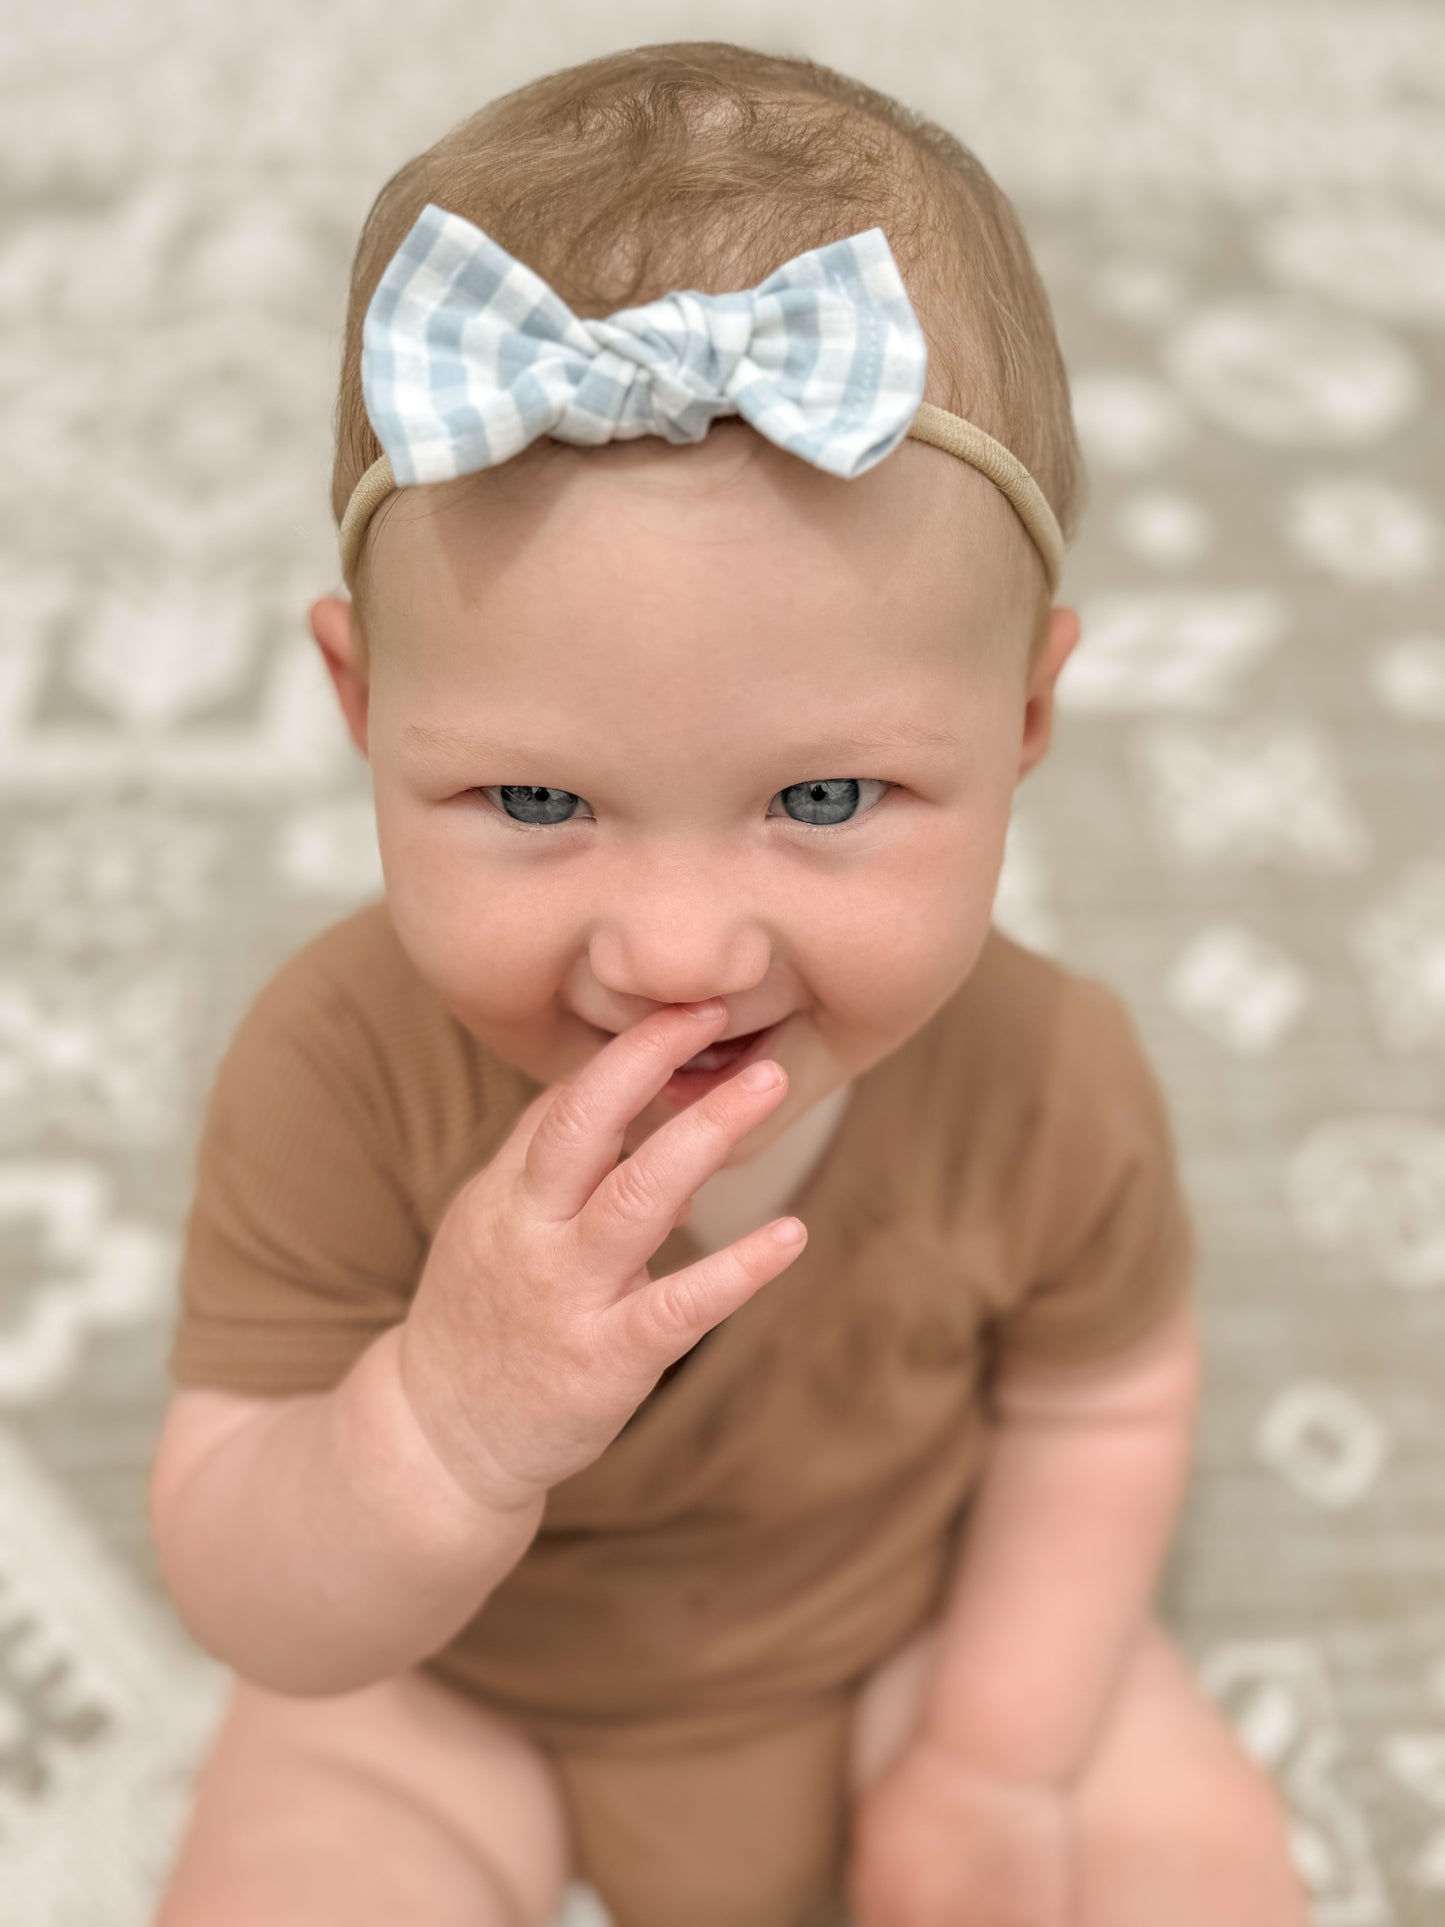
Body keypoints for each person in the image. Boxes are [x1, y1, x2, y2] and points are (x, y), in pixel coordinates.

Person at [148, 39, 1308, 1927]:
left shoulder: (1047, 1074)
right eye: (535, 798)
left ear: (1023, 717)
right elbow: (239, 1579)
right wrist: (438, 1425)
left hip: (902, 1641)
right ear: (363, 708)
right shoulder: (337, 1069)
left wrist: (996, 1758)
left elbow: (1095, 1412)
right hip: (457, 1700)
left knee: (1181, 1857)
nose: (675, 952)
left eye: (826, 798)